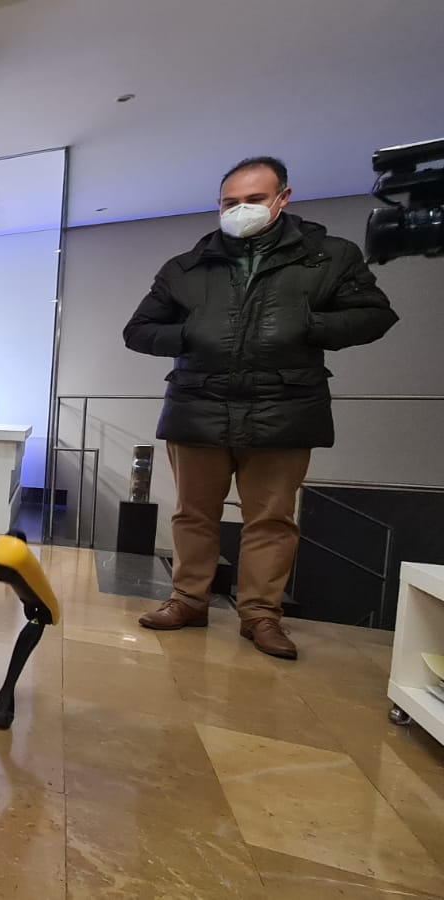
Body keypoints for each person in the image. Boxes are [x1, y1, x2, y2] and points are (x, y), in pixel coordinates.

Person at [124, 156, 396, 659]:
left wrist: (308, 325)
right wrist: (190, 333)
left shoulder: (328, 258)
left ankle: (261, 615)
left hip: (285, 406)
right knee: (193, 514)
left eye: (253, 200)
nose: (241, 209)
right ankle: (188, 599)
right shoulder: (186, 267)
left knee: (271, 518)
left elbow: (375, 316)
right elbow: (137, 331)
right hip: (198, 404)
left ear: (282, 199)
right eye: (231, 202)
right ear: (218, 205)